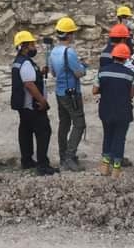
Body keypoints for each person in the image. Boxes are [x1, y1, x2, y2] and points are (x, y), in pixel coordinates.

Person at [11, 30, 57, 176]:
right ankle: (42, 165)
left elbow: (29, 78)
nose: (34, 47)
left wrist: (40, 72)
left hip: (22, 106)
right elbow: (29, 84)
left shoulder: (18, 62)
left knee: (25, 131)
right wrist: (42, 101)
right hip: (32, 105)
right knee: (44, 131)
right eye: (32, 44)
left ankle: (27, 160)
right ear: (25, 46)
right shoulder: (25, 63)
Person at [48, 17, 87, 171]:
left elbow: (53, 73)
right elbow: (78, 73)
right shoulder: (69, 52)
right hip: (72, 93)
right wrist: (84, 67)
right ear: (69, 34)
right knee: (79, 123)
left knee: (64, 124)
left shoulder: (53, 52)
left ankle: (63, 155)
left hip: (60, 92)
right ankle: (70, 156)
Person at [93, 43, 134, 179]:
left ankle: (105, 167)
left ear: (113, 56)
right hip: (123, 111)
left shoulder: (102, 71)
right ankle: (116, 169)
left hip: (106, 110)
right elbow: (131, 95)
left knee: (108, 135)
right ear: (126, 58)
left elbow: (94, 90)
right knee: (120, 138)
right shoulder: (130, 74)